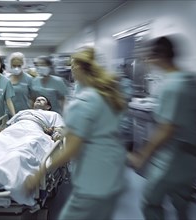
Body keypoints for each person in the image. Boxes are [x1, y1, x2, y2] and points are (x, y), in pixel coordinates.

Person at [24, 47, 127, 220]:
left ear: (78, 67)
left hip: (93, 178)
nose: (71, 69)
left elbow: (72, 149)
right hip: (112, 172)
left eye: (72, 65)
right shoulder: (106, 95)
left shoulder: (83, 102)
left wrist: (40, 173)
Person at [127, 36, 196, 220]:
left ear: (159, 56)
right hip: (193, 159)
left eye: (149, 57)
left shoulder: (171, 87)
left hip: (171, 160)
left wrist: (142, 155)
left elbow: (166, 129)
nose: (147, 61)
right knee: (182, 204)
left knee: (150, 202)